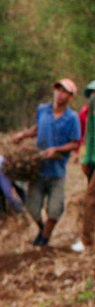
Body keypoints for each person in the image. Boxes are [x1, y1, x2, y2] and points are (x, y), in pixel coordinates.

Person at [12, 78, 81, 246]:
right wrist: (23, 135)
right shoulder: (43, 110)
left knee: (55, 209)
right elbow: (38, 128)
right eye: (58, 90)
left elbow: (74, 143)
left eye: (64, 92)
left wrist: (56, 150)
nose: (60, 94)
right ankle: (43, 231)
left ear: (70, 97)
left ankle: (44, 238)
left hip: (56, 171)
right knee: (33, 207)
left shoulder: (72, 118)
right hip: (38, 169)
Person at [72, 79, 95, 253]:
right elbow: (86, 137)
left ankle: (87, 240)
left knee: (91, 198)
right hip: (92, 158)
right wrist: (84, 158)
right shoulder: (86, 113)